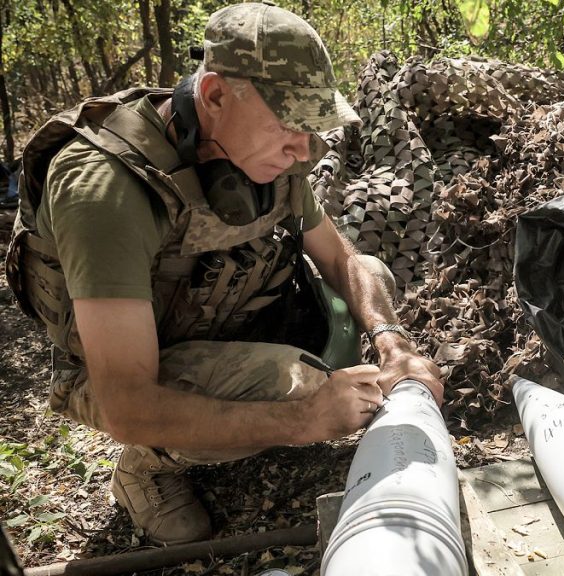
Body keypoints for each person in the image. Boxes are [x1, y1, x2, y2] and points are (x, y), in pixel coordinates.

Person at [4, 1, 443, 545]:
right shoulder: (107, 187)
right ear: (213, 95)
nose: (304, 149)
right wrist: (303, 419)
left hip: (228, 317)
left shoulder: (271, 152)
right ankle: (146, 467)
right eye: (288, 124)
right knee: (296, 387)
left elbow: (342, 259)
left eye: (312, 127)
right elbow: (125, 399)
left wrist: (391, 340)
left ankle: (242, 397)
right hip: (125, 367)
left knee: (373, 275)